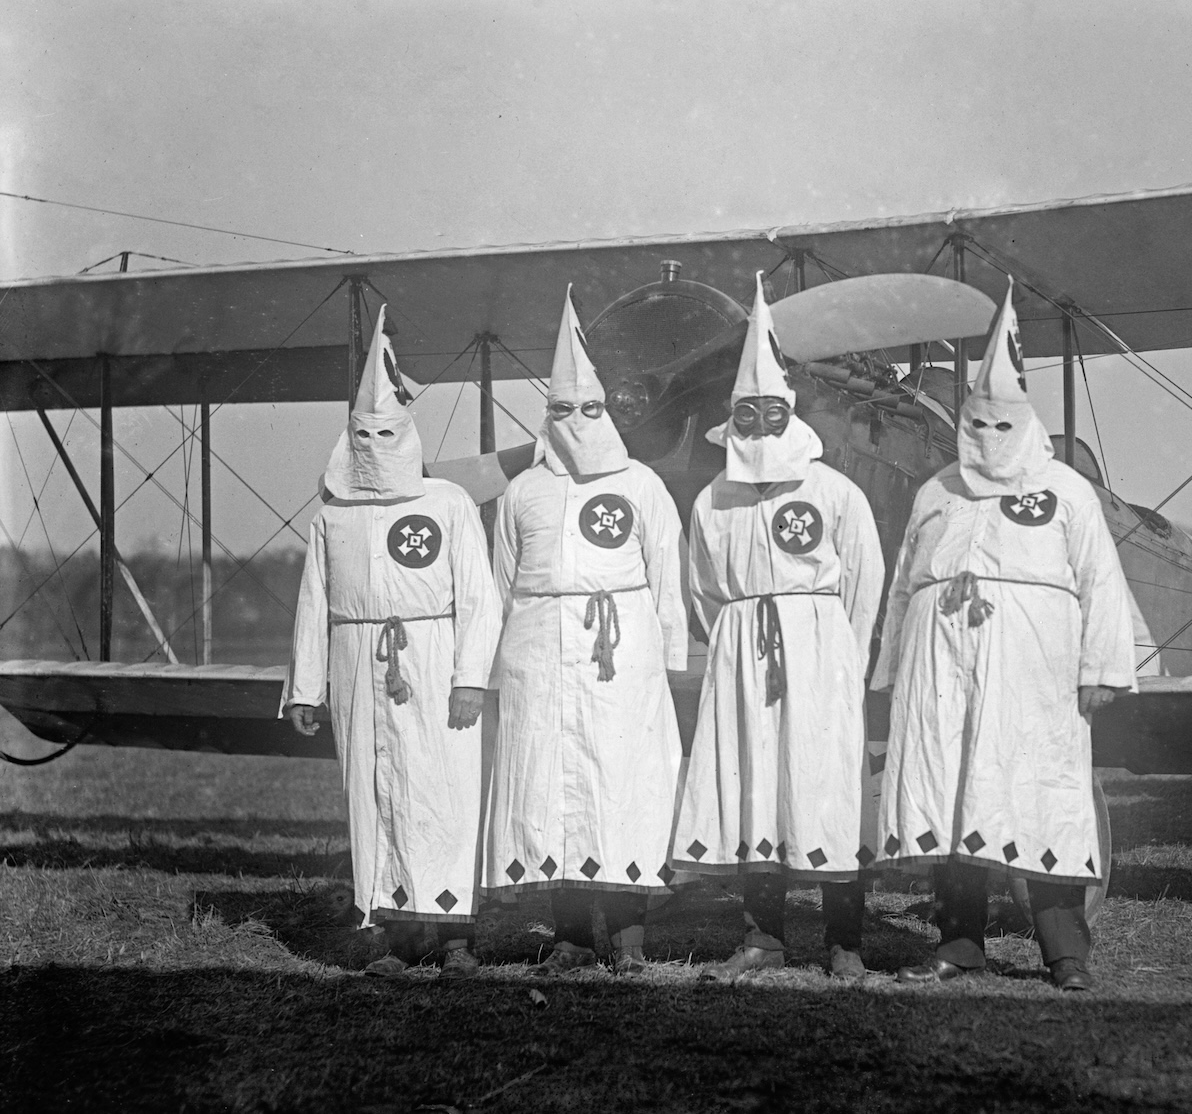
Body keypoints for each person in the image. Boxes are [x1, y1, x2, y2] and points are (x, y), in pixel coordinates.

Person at [869, 281, 1136, 992]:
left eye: (1002, 425)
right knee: (952, 799)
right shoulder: (937, 492)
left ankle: (1065, 953)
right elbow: (904, 587)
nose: (988, 436)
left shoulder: (1067, 492)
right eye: (977, 423)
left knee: (1039, 802)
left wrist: (1101, 669)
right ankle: (960, 944)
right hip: (942, 671)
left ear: (1026, 422)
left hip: (1032, 675)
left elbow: (1101, 581)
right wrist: (891, 672)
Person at [673, 273, 885, 981]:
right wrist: (739, 637)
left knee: (823, 784)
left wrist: (838, 653)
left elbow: (864, 580)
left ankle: (844, 941)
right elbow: (705, 588)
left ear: (789, 412)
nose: (759, 427)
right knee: (754, 785)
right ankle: (763, 937)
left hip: (820, 651)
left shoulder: (834, 492)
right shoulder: (712, 500)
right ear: (730, 417)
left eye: (770, 413)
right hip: (742, 652)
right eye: (746, 414)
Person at [284, 306, 500, 980]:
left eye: (387, 431)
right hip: (358, 662)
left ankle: (457, 938)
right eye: (363, 433)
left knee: (443, 788)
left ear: (407, 433)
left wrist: (470, 678)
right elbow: (314, 603)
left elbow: (479, 597)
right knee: (376, 791)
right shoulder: (333, 516)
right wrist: (306, 687)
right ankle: (398, 935)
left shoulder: (447, 503)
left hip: (433, 660)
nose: (375, 443)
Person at [481, 287, 688, 975]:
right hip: (540, 652)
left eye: (589, 410)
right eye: (562, 410)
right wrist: (496, 668)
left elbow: (667, 578)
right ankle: (570, 937)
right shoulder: (523, 492)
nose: (576, 422)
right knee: (553, 788)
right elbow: (502, 583)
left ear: (607, 410)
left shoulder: (641, 485)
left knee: (618, 783)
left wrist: (667, 664)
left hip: (620, 656)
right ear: (547, 415)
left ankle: (628, 940)